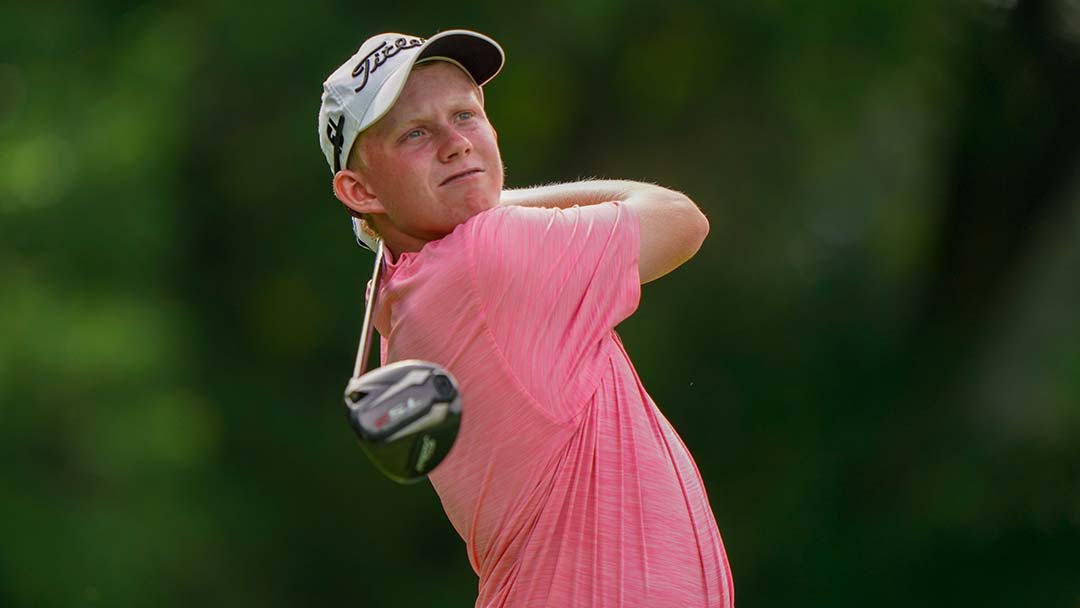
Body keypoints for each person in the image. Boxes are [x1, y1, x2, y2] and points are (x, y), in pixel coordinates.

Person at [318, 29, 733, 607]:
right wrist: (495, 202)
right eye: (415, 132)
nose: (455, 143)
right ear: (359, 190)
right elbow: (680, 218)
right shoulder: (485, 255)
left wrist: (467, 203)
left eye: (465, 115)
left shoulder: (410, 291)